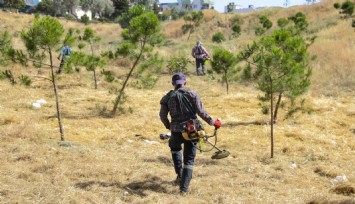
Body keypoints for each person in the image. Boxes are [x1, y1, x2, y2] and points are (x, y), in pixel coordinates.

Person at [159, 72, 222, 194]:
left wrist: (169, 126)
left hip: (176, 131)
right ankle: (184, 189)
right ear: (185, 82)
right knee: (189, 159)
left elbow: (162, 115)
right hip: (192, 130)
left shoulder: (167, 97)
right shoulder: (192, 94)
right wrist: (213, 123)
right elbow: (201, 112)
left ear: (173, 84)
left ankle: (180, 175)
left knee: (175, 149)